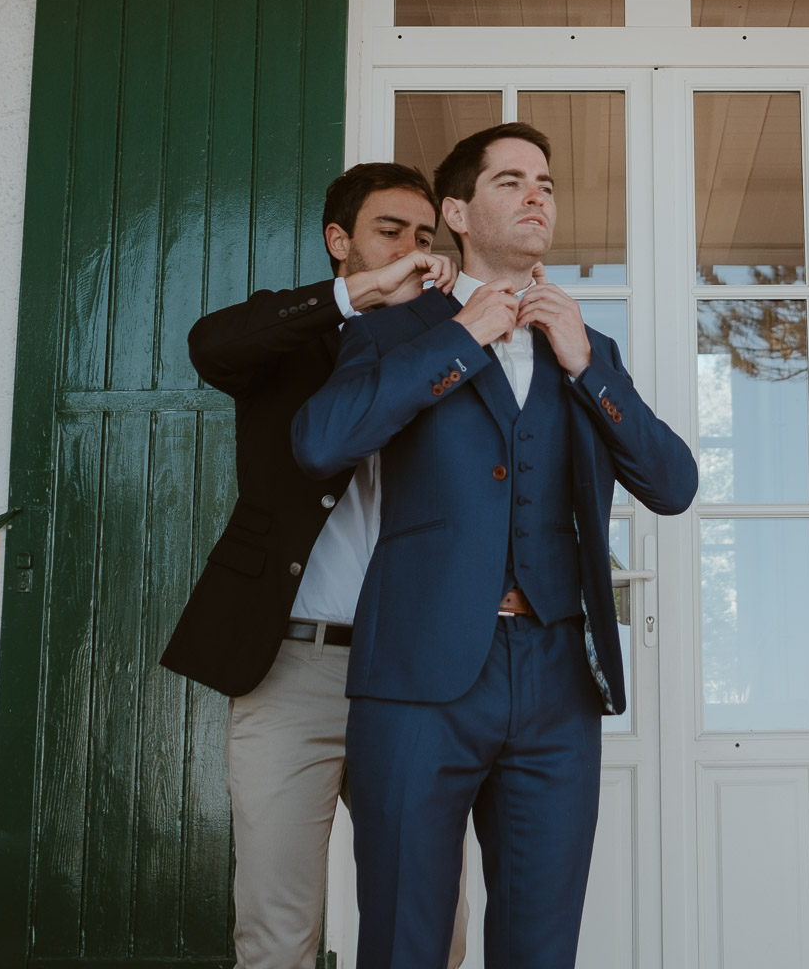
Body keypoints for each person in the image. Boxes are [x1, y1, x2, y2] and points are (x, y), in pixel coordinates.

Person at [291, 123, 697, 969]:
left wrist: (590, 368)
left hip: (555, 678)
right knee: (405, 940)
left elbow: (674, 485)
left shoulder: (588, 347)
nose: (537, 195)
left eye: (545, 181)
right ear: (459, 212)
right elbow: (321, 443)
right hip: (417, 678)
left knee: (540, 948)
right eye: (510, 181)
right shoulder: (395, 331)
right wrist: (462, 335)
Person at [159, 162, 469, 969]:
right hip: (288, 667)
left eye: (424, 236)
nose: (412, 248)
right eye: (389, 231)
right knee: (275, 924)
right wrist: (356, 300)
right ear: (340, 242)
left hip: (411, 672)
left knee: (431, 927)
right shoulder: (290, 334)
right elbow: (210, 344)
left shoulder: (452, 348)